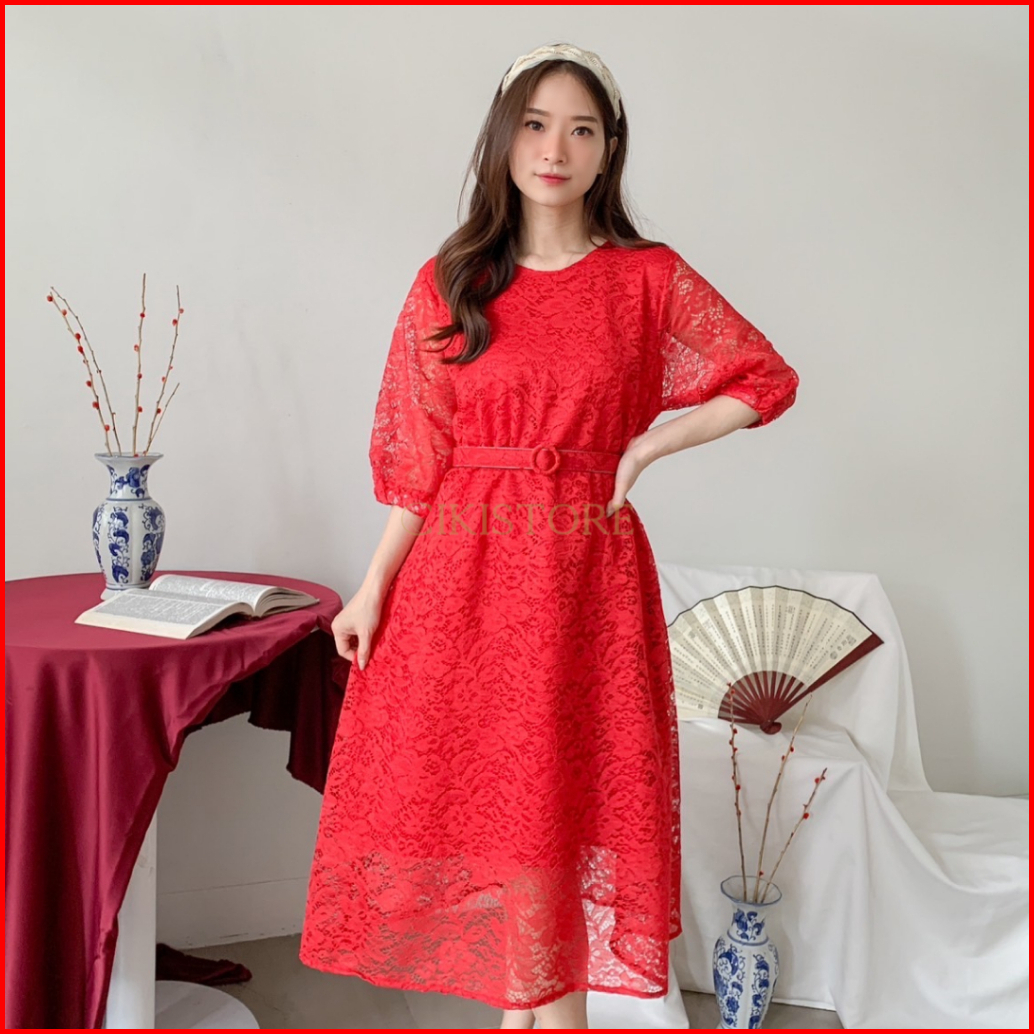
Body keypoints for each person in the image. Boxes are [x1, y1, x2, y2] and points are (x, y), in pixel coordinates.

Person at [300, 42, 799, 1030]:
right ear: (504, 138)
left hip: (581, 572)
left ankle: (549, 1015)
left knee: (559, 800)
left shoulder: (646, 278)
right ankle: (522, 1013)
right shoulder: (453, 279)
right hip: (460, 571)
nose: (554, 149)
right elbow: (419, 462)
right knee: (489, 804)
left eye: (580, 129)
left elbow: (763, 378)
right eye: (534, 125)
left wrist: (650, 441)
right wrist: (372, 587)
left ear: (609, 149)